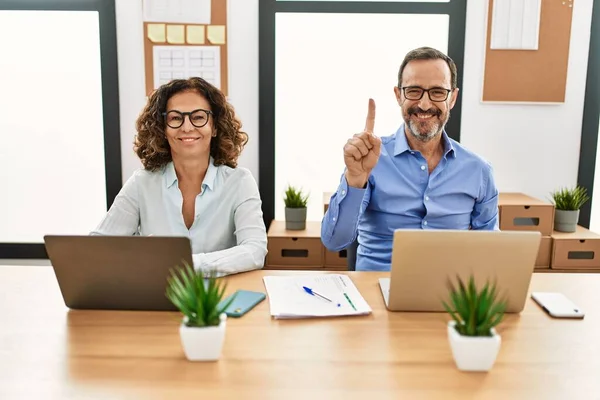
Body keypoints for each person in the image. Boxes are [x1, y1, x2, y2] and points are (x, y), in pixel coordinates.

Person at [321, 47, 499, 271]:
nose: (424, 105)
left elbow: (490, 254)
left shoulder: (479, 171)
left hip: (447, 297)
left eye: (437, 92)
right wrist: (355, 179)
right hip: (376, 292)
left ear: (452, 98)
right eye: (414, 91)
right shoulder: (371, 158)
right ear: (398, 95)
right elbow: (334, 241)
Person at [92, 77, 267, 276]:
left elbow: (255, 251)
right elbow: (99, 245)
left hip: (220, 299)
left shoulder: (240, 182)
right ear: (162, 129)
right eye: (175, 118)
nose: (187, 127)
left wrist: (184, 264)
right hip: (158, 297)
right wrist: (134, 251)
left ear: (215, 127)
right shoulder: (142, 183)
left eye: (199, 117)